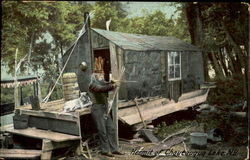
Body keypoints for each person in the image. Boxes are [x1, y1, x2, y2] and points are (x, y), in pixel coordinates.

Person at [88, 73, 124, 157]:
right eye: (100, 76)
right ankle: (105, 150)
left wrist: (112, 82)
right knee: (102, 131)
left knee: (111, 128)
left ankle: (114, 149)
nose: (102, 77)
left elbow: (106, 84)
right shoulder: (92, 85)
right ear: (95, 78)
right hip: (97, 109)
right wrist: (113, 86)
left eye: (102, 76)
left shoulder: (101, 83)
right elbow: (102, 89)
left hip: (104, 108)